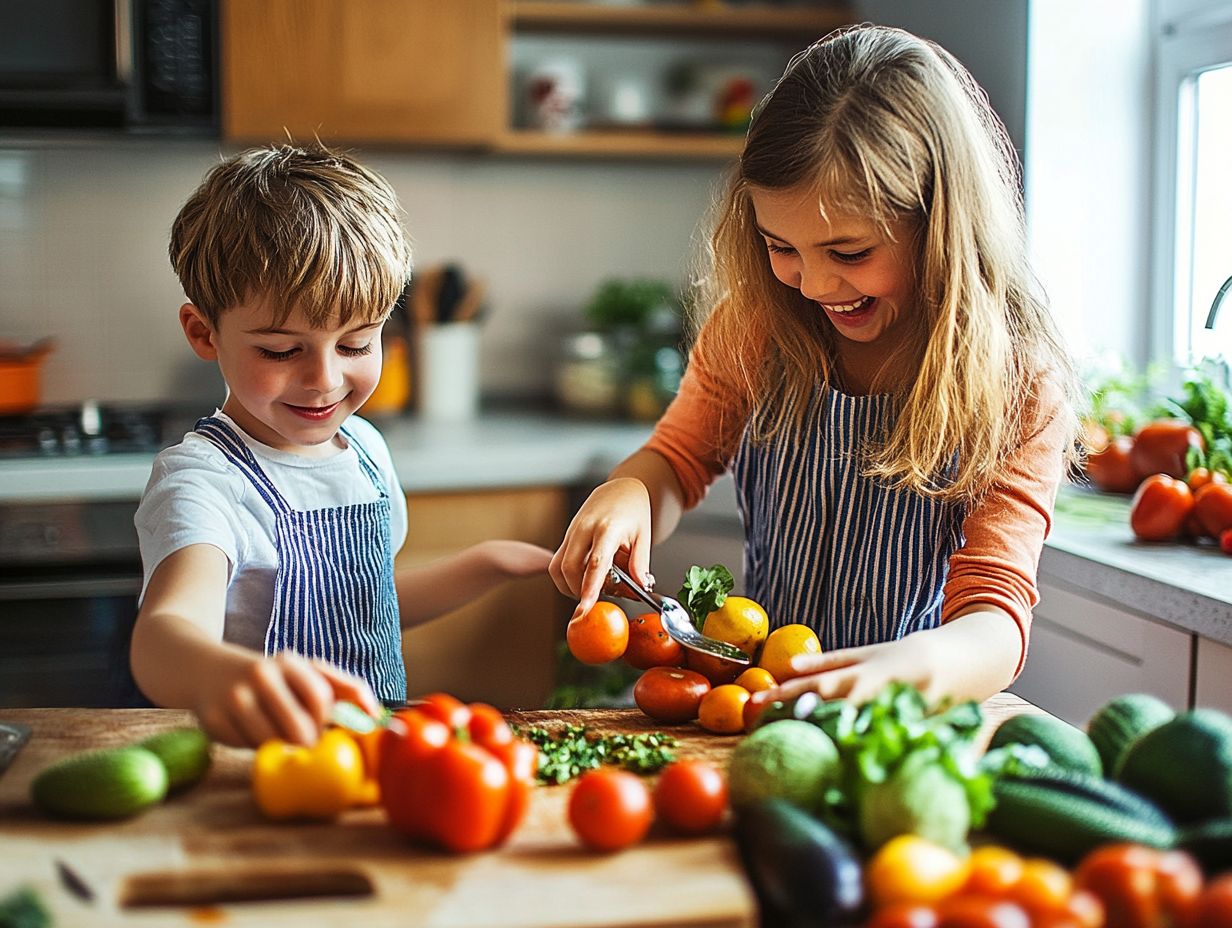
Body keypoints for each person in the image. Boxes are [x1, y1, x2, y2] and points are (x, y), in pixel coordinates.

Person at [550, 25, 1080, 708]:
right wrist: (630, 492)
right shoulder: (755, 328)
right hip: (757, 705)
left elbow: (996, 617)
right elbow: (678, 461)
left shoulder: (1018, 385)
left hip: (897, 724)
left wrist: (913, 667)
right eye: (781, 246)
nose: (813, 285)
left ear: (939, 224)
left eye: (850, 253)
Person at [132, 144, 551, 747]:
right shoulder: (201, 483)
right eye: (281, 350)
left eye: (356, 344)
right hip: (268, 773)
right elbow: (164, 636)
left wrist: (492, 561)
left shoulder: (364, 449)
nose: (325, 379)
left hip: (371, 758)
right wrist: (234, 676)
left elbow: (365, 609)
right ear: (204, 332)